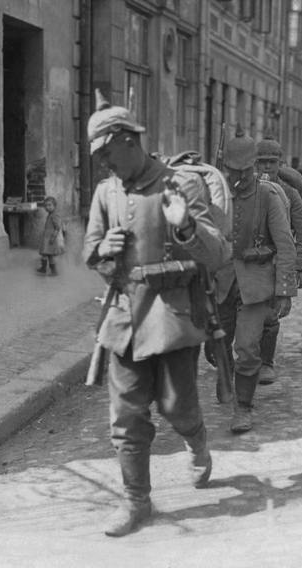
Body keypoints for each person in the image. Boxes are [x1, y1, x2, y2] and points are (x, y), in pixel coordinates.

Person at [83, 90, 229, 537]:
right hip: (125, 316)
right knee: (125, 417)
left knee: (176, 406)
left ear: (129, 140)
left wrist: (184, 224)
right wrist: (104, 252)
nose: (106, 166)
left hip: (172, 316)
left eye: (108, 154)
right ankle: (136, 502)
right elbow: (90, 254)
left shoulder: (179, 184)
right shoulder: (107, 192)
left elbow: (218, 254)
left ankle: (197, 441)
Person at [218, 131, 297, 433]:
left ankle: (244, 407)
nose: (237, 176)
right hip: (222, 281)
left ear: (252, 167)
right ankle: (224, 373)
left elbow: (285, 244)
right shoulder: (217, 194)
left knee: (248, 347)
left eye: (242, 170)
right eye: (232, 170)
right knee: (217, 344)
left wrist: (284, 291)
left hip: (255, 284)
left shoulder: (268, 196)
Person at [255, 138, 302, 385]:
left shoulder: (291, 194)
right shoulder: (247, 189)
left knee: (270, 314)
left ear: (281, 163)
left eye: (272, 162)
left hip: (277, 259)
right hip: (248, 258)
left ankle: (266, 362)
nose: (267, 168)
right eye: (262, 162)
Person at [36, 196, 63, 276]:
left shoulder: (55, 215)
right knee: (44, 254)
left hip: (51, 239)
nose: (47, 207)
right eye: (46, 205)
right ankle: (43, 268)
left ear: (54, 206)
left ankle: (54, 271)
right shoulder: (50, 214)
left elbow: (57, 228)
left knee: (50, 256)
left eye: (49, 205)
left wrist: (53, 237)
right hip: (46, 239)